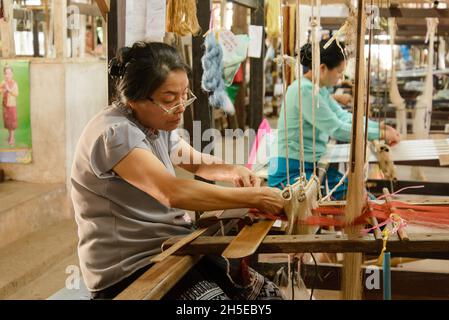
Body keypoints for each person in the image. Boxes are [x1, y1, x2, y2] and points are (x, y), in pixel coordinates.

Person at [71, 41, 286, 300]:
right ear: (134, 99)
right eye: (169, 99)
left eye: (184, 94)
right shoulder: (115, 134)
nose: (181, 106)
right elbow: (171, 192)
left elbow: (195, 162)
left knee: (269, 296)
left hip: (171, 247)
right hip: (130, 267)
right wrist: (254, 197)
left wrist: (233, 170)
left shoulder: (155, 125)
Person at [268, 40, 401, 200]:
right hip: (293, 173)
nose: (341, 76)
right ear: (323, 68)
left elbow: (342, 116)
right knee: (364, 202)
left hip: (313, 166)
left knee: (363, 197)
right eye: (339, 71)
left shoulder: (318, 89)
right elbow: (336, 128)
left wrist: (377, 127)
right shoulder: (305, 91)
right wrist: (379, 134)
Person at [1, 65, 19, 146]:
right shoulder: (3, 82)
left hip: (12, 105)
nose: (7, 75)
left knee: (12, 122)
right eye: (6, 73)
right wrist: (3, 90)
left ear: (12, 74)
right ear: (4, 74)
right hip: (5, 105)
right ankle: (10, 136)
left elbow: (16, 94)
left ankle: (12, 137)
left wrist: (9, 90)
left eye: (9, 73)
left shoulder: (14, 83)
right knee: (7, 122)